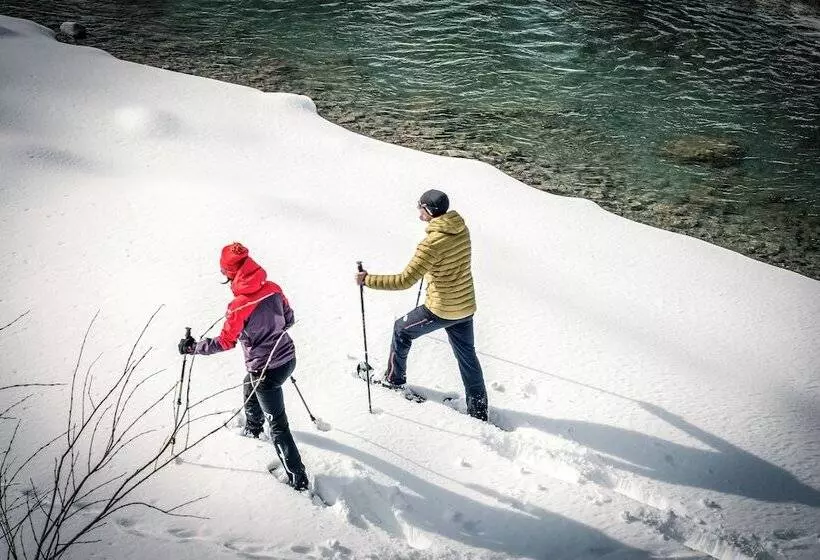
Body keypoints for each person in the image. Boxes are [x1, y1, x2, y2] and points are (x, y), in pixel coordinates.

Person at [178, 242, 309, 491]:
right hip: (288, 359)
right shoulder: (273, 288)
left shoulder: (238, 306)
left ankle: (298, 479)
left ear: (230, 273)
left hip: (266, 370)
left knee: (279, 425)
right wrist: (271, 328)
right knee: (249, 384)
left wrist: (193, 347)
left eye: (224, 273)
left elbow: (226, 342)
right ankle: (253, 427)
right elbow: (289, 319)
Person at [355, 189, 488, 421]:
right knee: (467, 356)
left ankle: (394, 380)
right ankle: (478, 410)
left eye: (420, 209)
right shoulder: (461, 229)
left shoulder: (431, 245)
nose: (418, 214)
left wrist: (367, 280)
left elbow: (404, 280)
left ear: (429, 211)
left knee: (401, 330)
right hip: (465, 306)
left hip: (441, 309)